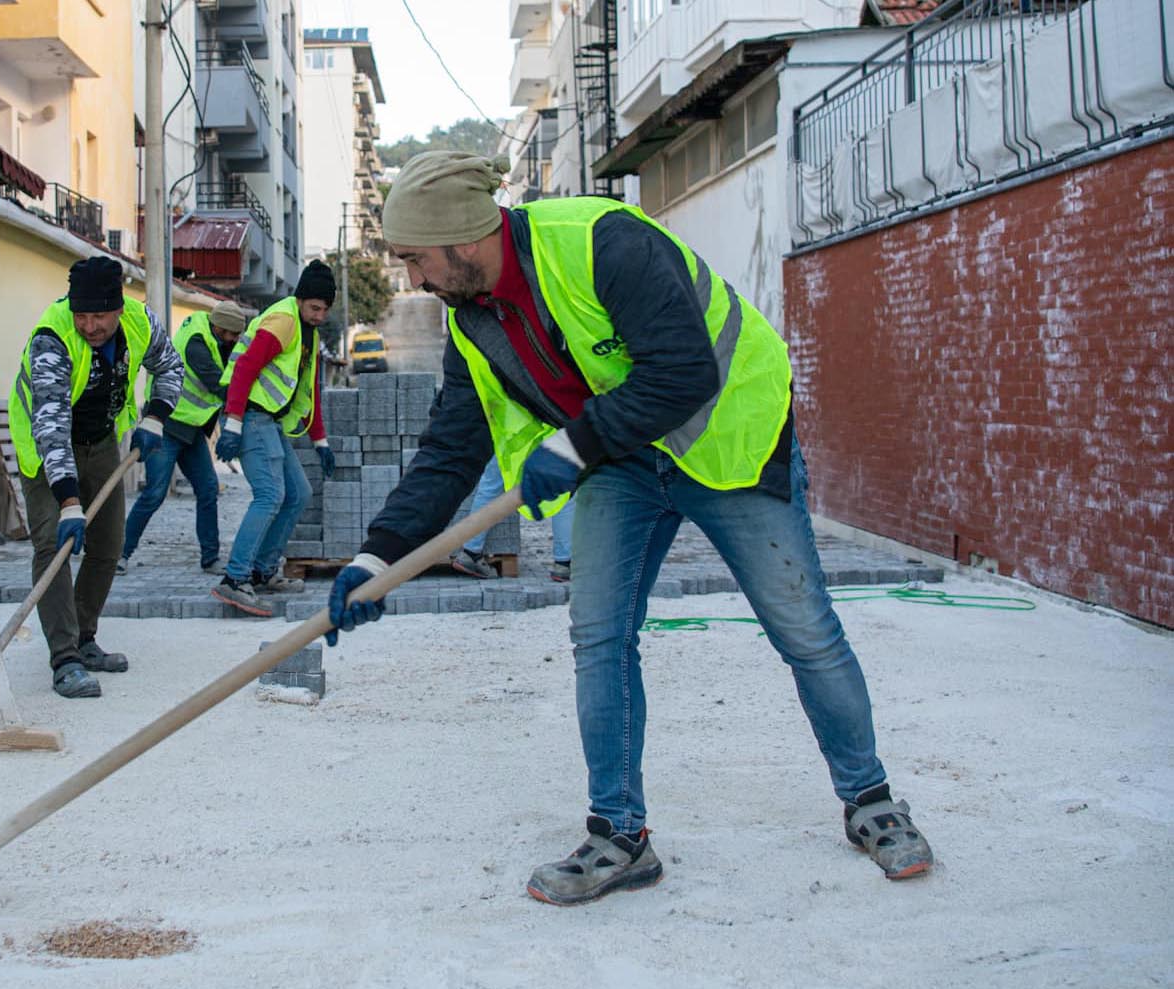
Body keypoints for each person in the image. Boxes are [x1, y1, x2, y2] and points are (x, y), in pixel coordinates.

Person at [324, 152, 934, 904]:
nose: (415, 279)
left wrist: (572, 446)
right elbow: (449, 453)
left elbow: (683, 372)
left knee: (803, 629)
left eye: (417, 259)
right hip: (619, 462)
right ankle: (619, 836)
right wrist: (376, 559)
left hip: (727, 443)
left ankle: (871, 801)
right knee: (600, 637)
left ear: (465, 237)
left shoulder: (603, 241)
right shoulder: (473, 321)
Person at [8, 256, 185, 699]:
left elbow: (170, 367)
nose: (89, 326)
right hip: (47, 448)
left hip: (101, 440)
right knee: (53, 546)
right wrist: (69, 502)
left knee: (107, 544)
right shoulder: (52, 338)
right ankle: (64, 658)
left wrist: (156, 417)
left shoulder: (141, 323)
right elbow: (51, 427)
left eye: (99, 317)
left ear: (119, 308)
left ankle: (84, 638)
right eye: (81, 315)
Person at [208, 262, 339, 616]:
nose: (320, 315)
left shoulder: (309, 332)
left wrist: (320, 441)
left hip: (270, 422)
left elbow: (310, 389)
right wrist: (233, 423)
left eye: (325, 310)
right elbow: (245, 368)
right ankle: (235, 580)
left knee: (298, 494)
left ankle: (262, 571)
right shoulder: (283, 321)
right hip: (250, 417)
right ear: (301, 300)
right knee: (270, 495)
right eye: (315, 307)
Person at [119, 299, 251, 575]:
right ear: (220, 327)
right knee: (154, 493)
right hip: (165, 426)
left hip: (191, 430)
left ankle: (210, 558)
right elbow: (219, 385)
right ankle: (120, 554)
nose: (235, 340)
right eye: (232, 334)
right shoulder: (196, 344)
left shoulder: (215, 338)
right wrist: (248, 404)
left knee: (208, 489)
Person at [451, 457, 574, 581]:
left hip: (506, 445)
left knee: (490, 486)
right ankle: (563, 564)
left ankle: (470, 552)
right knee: (564, 492)